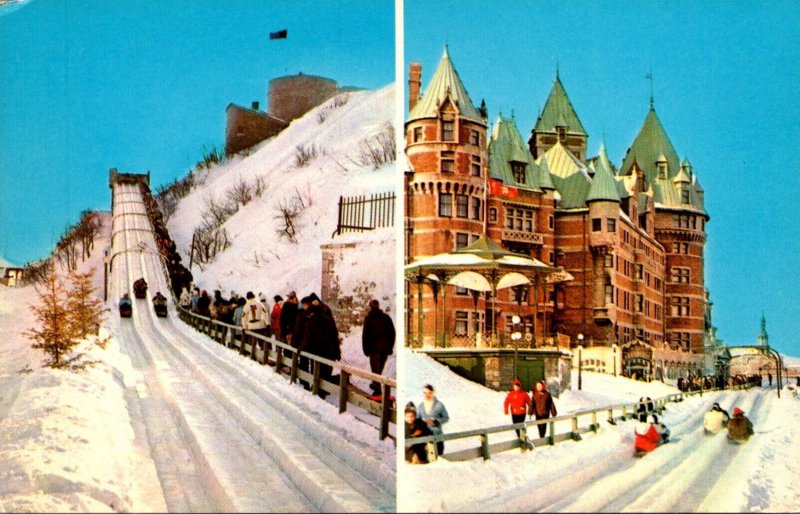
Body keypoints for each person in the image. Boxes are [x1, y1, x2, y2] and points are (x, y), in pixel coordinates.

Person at [361, 299, 396, 396]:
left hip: (374, 350)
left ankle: (377, 390)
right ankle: (376, 387)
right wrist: (389, 347)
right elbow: (392, 333)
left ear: (370, 307)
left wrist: (366, 349)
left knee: (375, 371)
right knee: (378, 370)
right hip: (384, 350)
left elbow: (365, 335)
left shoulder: (369, 319)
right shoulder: (386, 318)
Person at [416, 384, 449, 456]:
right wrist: (422, 423)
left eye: (429, 393)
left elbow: (446, 418)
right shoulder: (420, 406)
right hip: (425, 437)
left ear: (433, 393)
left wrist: (436, 421)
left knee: (439, 457)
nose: (427, 395)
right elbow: (417, 420)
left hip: (437, 436)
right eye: (425, 393)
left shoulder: (439, 405)